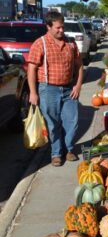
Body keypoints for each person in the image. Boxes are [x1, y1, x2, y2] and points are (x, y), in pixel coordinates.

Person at [27, 11, 84, 167]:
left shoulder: (71, 43)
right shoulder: (40, 43)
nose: (61, 30)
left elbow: (79, 66)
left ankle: (69, 149)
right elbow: (31, 69)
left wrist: (78, 85)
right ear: (48, 26)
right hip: (48, 89)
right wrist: (33, 92)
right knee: (52, 124)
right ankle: (56, 153)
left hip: (68, 88)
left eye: (63, 27)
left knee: (72, 121)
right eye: (58, 28)